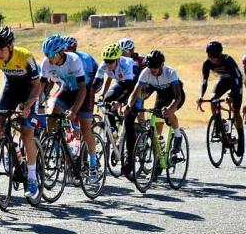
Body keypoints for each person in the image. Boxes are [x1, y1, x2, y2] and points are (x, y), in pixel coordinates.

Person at [0, 25, 43, 198]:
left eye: (2, 49)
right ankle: (11, 151)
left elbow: (37, 86)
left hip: (30, 91)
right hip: (11, 89)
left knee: (27, 132)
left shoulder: (26, 57)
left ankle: (32, 178)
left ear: (11, 46)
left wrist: (28, 105)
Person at [40, 34, 101, 185]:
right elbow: (40, 87)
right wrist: (37, 103)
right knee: (51, 117)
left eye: (51, 55)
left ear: (61, 52)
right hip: (66, 88)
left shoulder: (74, 60)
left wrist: (74, 110)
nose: (48, 58)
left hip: (84, 90)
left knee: (85, 128)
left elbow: (82, 88)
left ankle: (93, 165)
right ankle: (61, 154)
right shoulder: (46, 63)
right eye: (46, 54)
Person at [125, 50, 186, 173]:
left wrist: (171, 109)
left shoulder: (170, 73)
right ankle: (159, 152)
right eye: (150, 67)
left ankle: (178, 137)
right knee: (157, 123)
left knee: (169, 115)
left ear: (161, 65)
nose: (152, 69)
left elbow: (178, 97)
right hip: (161, 94)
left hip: (175, 95)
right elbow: (135, 92)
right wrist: (128, 106)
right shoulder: (146, 72)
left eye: (155, 67)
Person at [96, 43, 138, 176]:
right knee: (108, 100)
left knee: (129, 119)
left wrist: (120, 102)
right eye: (106, 61)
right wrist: (97, 95)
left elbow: (130, 88)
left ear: (117, 59)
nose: (107, 64)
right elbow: (96, 82)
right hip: (122, 83)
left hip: (136, 85)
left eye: (110, 62)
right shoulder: (104, 64)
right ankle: (114, 130)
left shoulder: (126, 64)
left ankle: (129, 161)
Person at [199, 41, 244, 157]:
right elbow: (204, 81)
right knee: (213, 99)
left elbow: (235, 80)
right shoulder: (207, 63)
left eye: (215, 57)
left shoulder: (228, 60)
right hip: (223, 81)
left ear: (220, 54)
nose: (213, 59)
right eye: (210, 56)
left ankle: (241, 139)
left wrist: (232, 95)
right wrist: (201, 97)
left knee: (236, 110)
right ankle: (218, 122)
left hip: (236, 81)